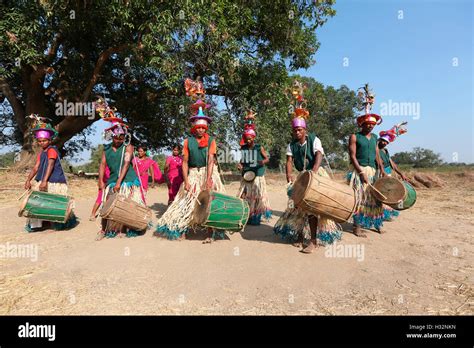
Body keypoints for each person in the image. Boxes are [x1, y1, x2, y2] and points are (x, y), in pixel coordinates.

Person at [273, 82, 342, 253]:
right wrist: (289, 177)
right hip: (302, 177)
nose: (297, 133)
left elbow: (318, 155)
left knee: (312, 208)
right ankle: (298, 234)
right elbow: (288, 161)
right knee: (297, 207)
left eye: (299, 130)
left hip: (316, 175)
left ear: (304, 130)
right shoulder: (292, 145)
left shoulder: (314, 139)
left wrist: (315, 171)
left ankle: (313, 240)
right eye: (295, 130)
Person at [155, 78, 225, 242]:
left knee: (210, 202)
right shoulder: (187, 141)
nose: (200, 129)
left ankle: (210, 232)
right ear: (194, 127)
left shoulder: (211, 141)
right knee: (186, 200)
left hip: (208, 173)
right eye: (197, 127)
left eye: (203, 127)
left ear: (206, 127)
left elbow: (210, 161)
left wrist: (209, 179)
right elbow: (185, 162)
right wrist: (186, 181)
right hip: (193, 173)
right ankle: (183, 229)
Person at [95, 98, 146, 239]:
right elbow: (102, 165)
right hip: (112, 180)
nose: (118, 140)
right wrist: (100, 181)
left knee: (124, 204)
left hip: (127, 180)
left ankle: (123, 229)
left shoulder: (128, 147)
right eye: (116, 137)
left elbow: (125, 164)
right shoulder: (106, 149)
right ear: (112, 136)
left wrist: (119, 183)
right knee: (107, 203)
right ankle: (103, 230)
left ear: (124, 137)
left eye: (121, 137)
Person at [23, 114, 77, 232]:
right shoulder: (41, 153)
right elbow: (36, 167)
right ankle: (39, 224)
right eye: (40, 141)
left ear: (49, 140)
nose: (42, 143)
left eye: (44, 140)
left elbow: (50, 165)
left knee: (54, 203)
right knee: (38, 202)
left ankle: (58, 223)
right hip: (42, 180)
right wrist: (28, 180)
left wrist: (44, 181)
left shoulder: (52, 150)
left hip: (54, 180)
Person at [347, 84, 385, 237]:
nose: (370, 127)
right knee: (360, 199)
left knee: (375, 199)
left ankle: (375, 223)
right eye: (367, 124)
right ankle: (356, 227)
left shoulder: (375, 138)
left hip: (373, 171)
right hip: (359, 171)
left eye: (372, 125)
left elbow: (377, 154)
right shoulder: (355, 136)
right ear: (361, 124)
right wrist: (360, 172)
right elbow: (352, 156)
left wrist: (381, 168)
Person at [237, 110, 272, 225]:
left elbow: (267, 158)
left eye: (250, 138)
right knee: (245, 196)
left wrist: (261, 162)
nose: (248, 140)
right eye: (246, 138)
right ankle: (247, 215)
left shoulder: (259, 147)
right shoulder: (243, 148)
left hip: (257, 175)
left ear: (253, 137)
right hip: (247, 175)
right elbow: (242, 160)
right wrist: (240, 165)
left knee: (257, 196)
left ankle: (256, 216)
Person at [378, 122, 409, 221]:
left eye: (386, 142)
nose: (384, 143)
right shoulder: (376, 150)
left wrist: (401, 174)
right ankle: (380, 215)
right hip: (379, 174)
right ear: (379, 140)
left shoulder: (386, 151)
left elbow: (393, 164)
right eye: (383, 141)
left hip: (388, 174)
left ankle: (386, 214)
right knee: (382, 194)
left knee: (389, 194)